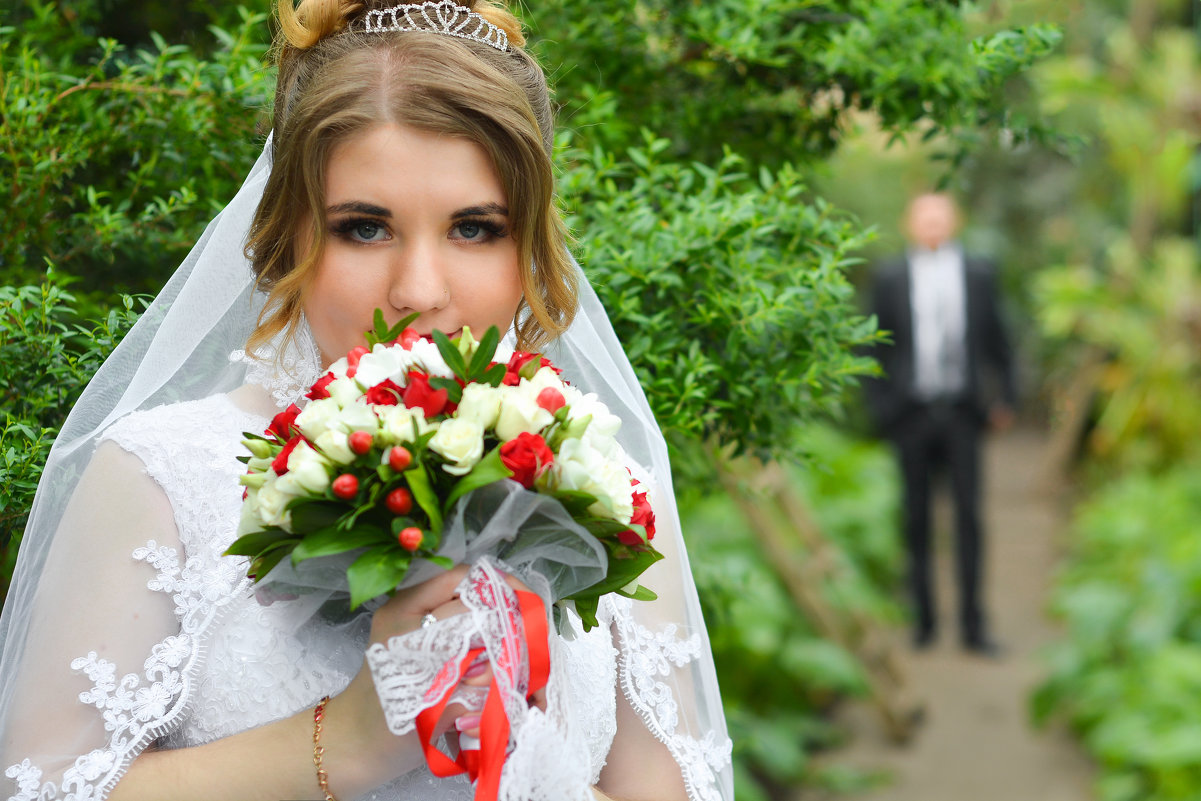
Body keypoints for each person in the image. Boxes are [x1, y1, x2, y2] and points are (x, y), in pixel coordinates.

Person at [0, 2, 733, 800]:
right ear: (289, 239)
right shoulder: (163, 475)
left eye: (475, 229)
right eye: (364, 228)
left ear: (529, 250)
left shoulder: (601, 485)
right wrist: (348, 742)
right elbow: (41, 785)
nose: (419, 292)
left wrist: (530, 758)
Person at [863, 192, 1017, 656]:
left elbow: (999, 337)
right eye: (924, 217)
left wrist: (1005, 396)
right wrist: (881, 406)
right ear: (910, 223)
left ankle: (974, 625)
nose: (933, 224)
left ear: (955, 221)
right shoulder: (890, 276)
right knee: (916, 519)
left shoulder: (979, 273)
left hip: (964, 414)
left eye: (941, 216)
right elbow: (872, 343)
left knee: (969, 518)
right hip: (910, 415)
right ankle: (924, 623)